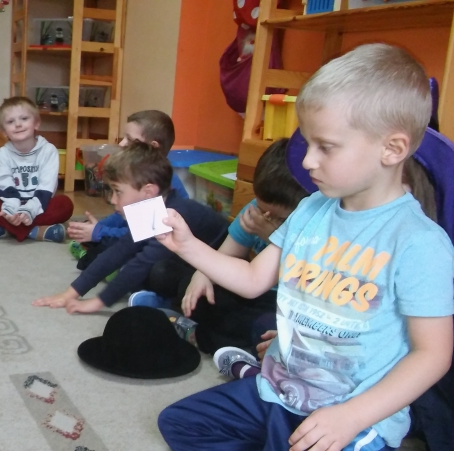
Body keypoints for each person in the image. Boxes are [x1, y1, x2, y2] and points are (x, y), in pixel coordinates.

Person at [156, 43, 454, 451]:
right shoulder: (312, 208)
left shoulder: (419, 242)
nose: (309, 161)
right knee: (180, 423)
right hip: (279, 391)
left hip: (349, 417)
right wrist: (188, 246)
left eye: (325, 147)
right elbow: (252, 278)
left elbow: (432, 355)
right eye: (308, 144)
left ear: (392, 149)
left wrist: (353, 416)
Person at [131, 138, 309, 355]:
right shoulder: (253, 210)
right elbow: (225, 256)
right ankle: (175, 308)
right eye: (262, 209)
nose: (265, 217)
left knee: (265, 329)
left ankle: (195, 332)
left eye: (279, 218)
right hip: (242, 286)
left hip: (280, 302)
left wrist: (273, 236)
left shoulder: (310, 227)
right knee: (165, 272)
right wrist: (202, 276)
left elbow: (298, 284)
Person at [32, 141, 227, 314]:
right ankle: (163, 299)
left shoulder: (171, 215)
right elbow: (119, 251)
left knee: (154, 270)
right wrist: (70, 293)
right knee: (135, 264)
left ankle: (170, 305)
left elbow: (142, 263)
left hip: (220, 275)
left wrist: (97, 302)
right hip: (186, 263)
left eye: (118, 192)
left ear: (148, 192)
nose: (112, 200)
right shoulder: (154, 207)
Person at [67, 110, 189, 270]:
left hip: (156, 243)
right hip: (137, 234)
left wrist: (99, 232)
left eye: (130, 139)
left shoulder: (161, 183)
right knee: (97, 237)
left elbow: (138, 235)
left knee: (109, 250)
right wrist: (96, 227)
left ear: (153, 147)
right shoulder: (137, 175)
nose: (122, 143)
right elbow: (122, 216)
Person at [0, 96, 73, 242]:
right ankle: (35, 231)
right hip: (10, 205)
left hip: (39, 204)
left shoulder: (48, 150)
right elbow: (1, 183)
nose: (18, 124)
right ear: (4, 131)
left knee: (65, 204)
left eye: (24, 118)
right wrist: (12, 209)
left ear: (36, 123)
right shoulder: (3, 153)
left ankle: (8, 229)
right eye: (10, 122)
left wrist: (29, 210)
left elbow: (47, 186)